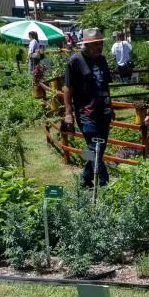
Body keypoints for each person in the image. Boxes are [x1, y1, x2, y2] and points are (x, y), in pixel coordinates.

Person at [62, 28, 113, 188]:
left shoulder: (102, 59)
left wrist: (110, 106)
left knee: (99, 149)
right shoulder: (75, 61)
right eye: (96, 44)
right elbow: (68, 89)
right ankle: (104, 183)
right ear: (87, 45)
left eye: (101, 44)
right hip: (86, 113)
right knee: (94, 148)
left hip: (103, 112)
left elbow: (105, 84)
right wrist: (68, 113)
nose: (100, 47)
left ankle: (84, 179)